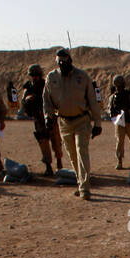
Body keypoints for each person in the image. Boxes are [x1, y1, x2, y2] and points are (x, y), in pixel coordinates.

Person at [43, 47, 101, 199]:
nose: (62, 63)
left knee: (82, 151)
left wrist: (98, 123)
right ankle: (80, 181)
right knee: (72, 155)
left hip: (82, 120)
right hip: (64, 122)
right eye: (59, 61)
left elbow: (92, 101)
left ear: (70, 60)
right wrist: (48, 117)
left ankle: (85, 188)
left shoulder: (82, 77)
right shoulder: (51, 77)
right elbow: (47, 100)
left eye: (64, 60)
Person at [20, 64, 62, 175]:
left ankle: (59, 162)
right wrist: (27, 100)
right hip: (38, 119)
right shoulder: (28, 88)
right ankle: (48, 165)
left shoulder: (46, 85)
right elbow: (23, 104)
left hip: (50, 116)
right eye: (33, 76)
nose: (35, 78)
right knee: (43, 143)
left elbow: (55, 99)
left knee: (56, 141)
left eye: (37, 75)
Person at [107, 73, 130, 169]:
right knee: (119, 142)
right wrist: (115, 116)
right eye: (117, 86)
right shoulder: (112, 98)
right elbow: (109, 109)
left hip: (129, 121)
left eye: (120, 85)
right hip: (119, 122)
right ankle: (119, 160)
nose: (119, 87)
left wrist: (129, 113)